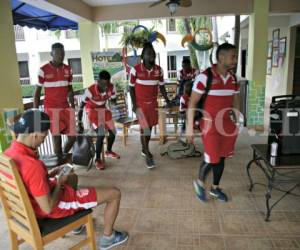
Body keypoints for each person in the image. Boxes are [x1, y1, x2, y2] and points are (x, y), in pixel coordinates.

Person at [5, 109, 128, 250]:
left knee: (72, 177)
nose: (44, 139)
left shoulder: (9, 154)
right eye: (44, 136)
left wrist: (50, 175)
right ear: (35, 134)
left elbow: (28, 181)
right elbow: (47, 208)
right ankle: (108, 237)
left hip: (30, 204)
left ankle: (77, 221)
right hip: (49, 208)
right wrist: (58, 183)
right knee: (114, 193)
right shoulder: (33, 166)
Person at [186, 43, 241, 202]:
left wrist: (238, 121)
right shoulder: (205, 76)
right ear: (221, 57)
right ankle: (199, 183)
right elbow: (192, 102)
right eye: (233, 56)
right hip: (209, 124)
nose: (235, 60)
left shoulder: (233, 78)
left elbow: (236, 101)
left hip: (227, 124)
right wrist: (189, 128)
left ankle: (215, 188)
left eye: (235, 56)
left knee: (222, 157)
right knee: (211, 158)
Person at [129, 42, 171, 169]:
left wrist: (168, 100)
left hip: (153, 104)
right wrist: (134, 105)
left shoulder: (159, 70)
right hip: (140, 105)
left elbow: (162, 86)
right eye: (148, 53)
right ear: (143, 56)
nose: (151, 56)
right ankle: (147, 154)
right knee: (144, 130)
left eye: (153, 53)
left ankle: (144, 148)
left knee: (150, 129)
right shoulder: (135, 70)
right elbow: (131, 89)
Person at [34, 43, 76, 164]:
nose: (60, 56)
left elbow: (70, 89)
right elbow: (37, 93)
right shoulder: (43, 70)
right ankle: (59, 163)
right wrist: (36, 112)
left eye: (62, 53)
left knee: (73, 137)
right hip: (51, 109)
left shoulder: (68, 69)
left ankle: (61, 155)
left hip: (65, 107)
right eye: (57, 53)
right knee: (56, 138)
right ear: (51, 54)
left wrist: (72, 106)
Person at [78, 70, 120, 170]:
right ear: (98, 81)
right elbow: (81, 106)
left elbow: (113, 100)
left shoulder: (111, 87)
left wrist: (113, 101)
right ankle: (97, 159)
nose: (106, 86)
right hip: (92, 110)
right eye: (103, 84)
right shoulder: (90, 91)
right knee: (101, 134)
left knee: (113, 132)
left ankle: (108, 151)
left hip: (103, 109)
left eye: (107, 83)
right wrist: (79, 122)